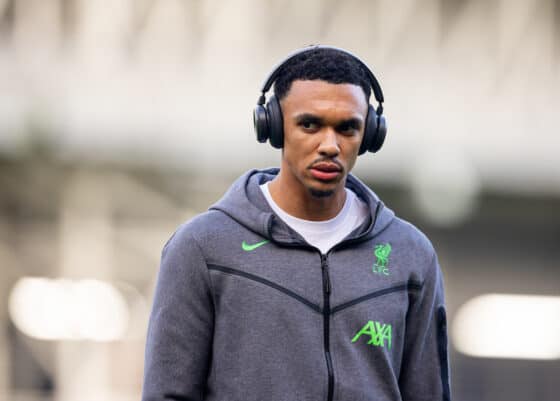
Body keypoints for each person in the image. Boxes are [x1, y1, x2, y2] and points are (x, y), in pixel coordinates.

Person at [141, 45, 451, 401]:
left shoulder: (410, 256)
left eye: (348, 128)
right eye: (310, 124)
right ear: (273, 125)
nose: (330, 145)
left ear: (369, 136)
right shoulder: (202, 249)